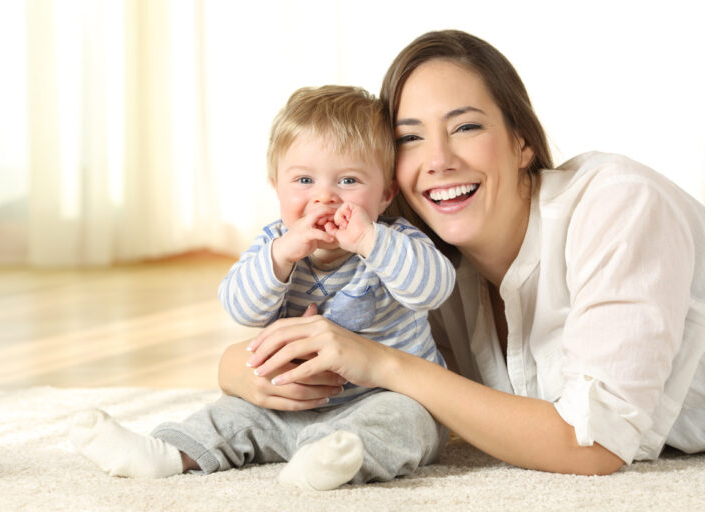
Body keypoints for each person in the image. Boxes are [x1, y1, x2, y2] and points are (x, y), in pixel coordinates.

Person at [220, 29, 705, 476]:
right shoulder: (410, 251)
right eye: (410, 138)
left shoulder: (618, 204)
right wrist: (245, 371)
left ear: (522, 142)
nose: (438, 161)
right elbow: (318, 350)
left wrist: (383, 363)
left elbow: (594, 445)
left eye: (466, 127)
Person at [69, 85, 455, 490]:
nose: (323, 196)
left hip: (382, 398)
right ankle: (165, 452)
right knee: (231, 414)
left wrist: (368, 241)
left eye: (348, 180)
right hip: (288, 403)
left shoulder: (395, 240)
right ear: (276, 186)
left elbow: (431, 290)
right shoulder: (275, 243)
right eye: (304, 180)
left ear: (385, 194)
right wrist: (282, 257)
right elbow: (240, 308)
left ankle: (326, 460)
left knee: (406, 421)